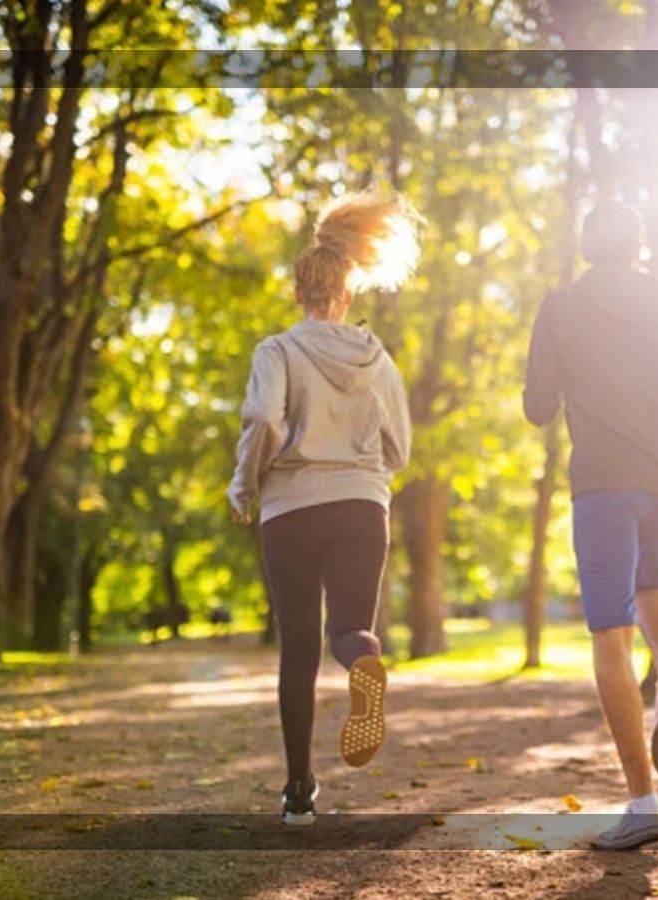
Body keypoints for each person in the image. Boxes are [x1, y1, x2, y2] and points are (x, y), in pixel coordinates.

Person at [523, 200, 658, 851]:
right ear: (639, 245)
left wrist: (563, 379)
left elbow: (537, 408)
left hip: (604, 482)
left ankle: (643, 803)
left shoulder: (560, 307)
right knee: (654, 579)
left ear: (588, 245)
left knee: (609, 635)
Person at [227, 190, 419, 827]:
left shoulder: (276, 351)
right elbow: (401, 447)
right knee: (347, 632)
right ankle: (365, 661)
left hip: (291, 511)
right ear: (348, 291)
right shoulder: (377, 356)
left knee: (299, 650)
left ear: (299, 292)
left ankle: (299, 790)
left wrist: (244, 484)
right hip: (363, 507)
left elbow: (263, 419)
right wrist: (364, 469)